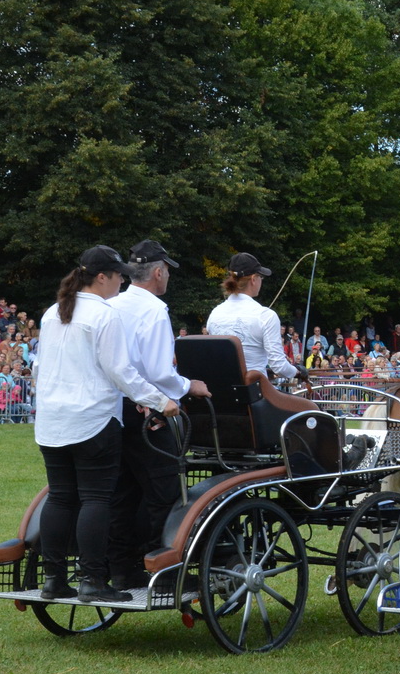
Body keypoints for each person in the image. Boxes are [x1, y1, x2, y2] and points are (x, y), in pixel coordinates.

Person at [32, 245, 179, 604]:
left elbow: (38, 368)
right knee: (97, 500)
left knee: (62, 499)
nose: (121, 282)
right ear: (103, 277)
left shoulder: (53, 313)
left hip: (52, 422)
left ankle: (53, 578)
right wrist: (160, 401)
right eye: (118, 276)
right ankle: (93, 579)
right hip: (93, 420)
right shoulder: (104, 315)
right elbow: (120, 371)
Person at [107, 240, 210, 592]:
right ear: (158, 271)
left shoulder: (113, 305)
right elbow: (158, 370)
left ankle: (122, 566)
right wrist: (189, 385)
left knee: (123, 492)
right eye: (167, 272)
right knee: (163, 488)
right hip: (145, 408)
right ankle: (159, 566)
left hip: (115, 409)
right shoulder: (153, 310)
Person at [204, 252, 298, 383]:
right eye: (261, 277)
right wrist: (297, 372)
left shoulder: (215, 314)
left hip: (221, 391)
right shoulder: (265, 316)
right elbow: (279, 366)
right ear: (254, 279)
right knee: (308, 405)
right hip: (254, 394)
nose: (261, 281)